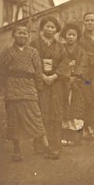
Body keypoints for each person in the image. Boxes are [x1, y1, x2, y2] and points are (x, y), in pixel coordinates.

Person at [0, 24, 50, 162]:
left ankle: (46, 146)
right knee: (14, 119)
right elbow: (1, 73)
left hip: (29, 87)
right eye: (19, 33)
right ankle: (17, 149)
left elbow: (38, 72)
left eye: (25, 33)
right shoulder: (6, 52)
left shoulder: (33, 52)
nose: (22, 36)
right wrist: (4, 89)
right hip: (12, 88)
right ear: (14, 35)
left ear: (28, 36)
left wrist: (39, 88)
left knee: (36, 116)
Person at [30, 16, 69, 159]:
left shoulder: (60, 47)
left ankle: (55, 144)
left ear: (56, 30)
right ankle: (40, 144)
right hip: (40, 82)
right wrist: (41, 76)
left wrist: (54, 76)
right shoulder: (34, 44)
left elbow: (64, 63)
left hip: (55, 83)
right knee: (40, 111)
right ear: (42, 28)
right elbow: (30, 62)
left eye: (53, 27)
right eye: (47, 26)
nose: (50, 29)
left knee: (56, 112)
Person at [60, 23, 88, 146]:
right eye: (69, 34)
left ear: (77, 36)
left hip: (77, 83)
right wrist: (66, 75)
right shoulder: (60, 48)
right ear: (65, 36)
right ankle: (65, 136)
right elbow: (58, 63)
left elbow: (83, 64)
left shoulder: (81, 50)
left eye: (73, 35)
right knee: (64, 106)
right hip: (63, 82)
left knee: (77, 107)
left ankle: (76, 137)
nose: (71, 37)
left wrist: (76, 76)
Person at [79, 12, 94, 139]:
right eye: (87, 20)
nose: (89, 22)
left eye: (92, 20)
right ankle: (88, 128)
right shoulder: (80, 40)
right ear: (84, 22)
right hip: (86, 75)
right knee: (88, 99)